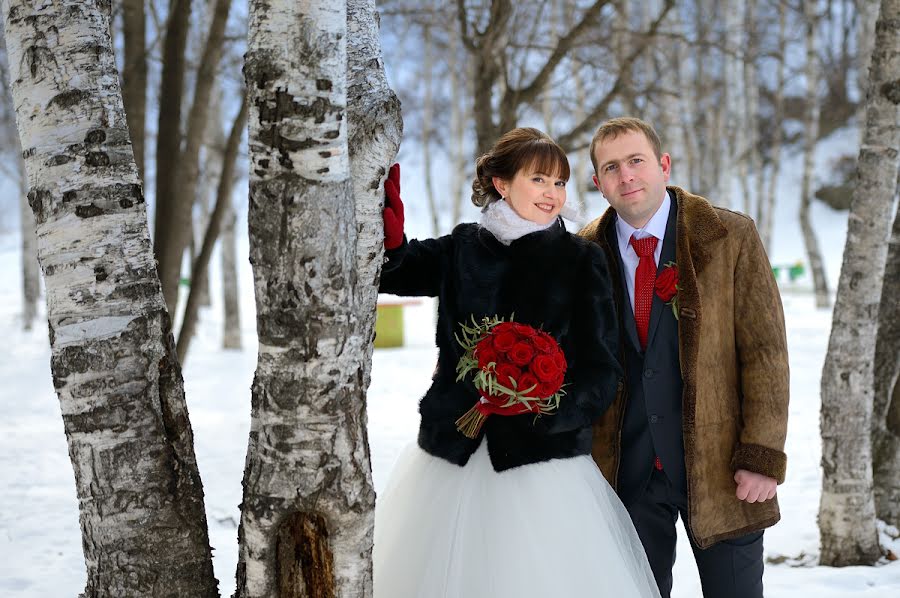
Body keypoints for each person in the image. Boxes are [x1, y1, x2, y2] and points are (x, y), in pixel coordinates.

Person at [373, 127, 660, 598]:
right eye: (539, 180)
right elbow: (396, 270)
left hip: (541, 461)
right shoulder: (462, 247)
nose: (552, 194)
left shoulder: (579, 259)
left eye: (560, 183)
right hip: (453, 451)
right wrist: (388, 236)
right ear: (502, 184)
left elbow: (601, 367)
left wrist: (545, 410)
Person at [578, 116, 790, 598]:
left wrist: (761, 454)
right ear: (598, 183)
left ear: (664, 165)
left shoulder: (730, 236)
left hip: (723, 472)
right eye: (612, 167)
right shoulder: (583, 253)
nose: (626, 175)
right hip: (623, 477)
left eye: (637, 161)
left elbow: (766, 353)